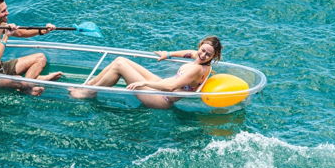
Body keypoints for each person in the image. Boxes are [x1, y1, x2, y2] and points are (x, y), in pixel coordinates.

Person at [71, 36, 222, 109]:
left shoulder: (197, 69)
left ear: (213, 57)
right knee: (120, 59)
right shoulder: (201, 59)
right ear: (200, 45)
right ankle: (89, 85)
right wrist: (168, 54)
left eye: (208, 54)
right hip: (161, 85)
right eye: (202, 50)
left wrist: (144, 83)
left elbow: (170, 87)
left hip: (162, 99)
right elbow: (189, 53)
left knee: (119, 66)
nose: (203, 55)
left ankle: (90, 92)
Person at [0, 0, 63, 95]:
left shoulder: (0, 23)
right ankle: (34, 83)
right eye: (3, 11)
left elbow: (20, 33)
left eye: (6, 9)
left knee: (40, 58)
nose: (7, 13)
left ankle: (29, 85)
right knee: (19, 80)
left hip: (1, 67)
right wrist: (6, 36)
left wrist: (43, 30)